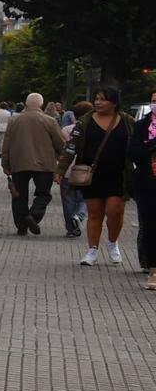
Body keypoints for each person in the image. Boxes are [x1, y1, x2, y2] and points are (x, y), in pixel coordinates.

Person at [65, 86, 131, 268]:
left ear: (114, 102)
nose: (98, 102)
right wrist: (60, 169)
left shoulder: (126, 121)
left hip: (119, 175)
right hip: (92, 175)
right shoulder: (85, 121)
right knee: (94, 213)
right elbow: (71, 146)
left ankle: (112, 242)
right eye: (96, 99)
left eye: (102, 99)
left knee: (114, 212)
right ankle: (92, 250)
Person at [2, 93, 62, 236]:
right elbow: (59, 142)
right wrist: (61, 158)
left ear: (26, 104)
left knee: (19, 196)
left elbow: (7, 143)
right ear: (41, 105)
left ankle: (21, 225)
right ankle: (34, 214)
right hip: (44, 164)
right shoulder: (50, 121)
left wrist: (5, 163)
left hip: (19, 163)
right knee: (43, 194)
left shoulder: (14, 120)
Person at [126, 92, 156, 289]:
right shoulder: (141, 126)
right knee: (151, 226)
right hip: (148, 184)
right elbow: (134, 153)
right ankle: (153, 269)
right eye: (154, 101)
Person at [58, 101, 91, 236]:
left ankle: (71, 229)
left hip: (67, 170)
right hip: (85, 170)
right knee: (84, 198)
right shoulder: (92, 130)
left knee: (68, 200)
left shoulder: (65, 130)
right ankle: (80, 215)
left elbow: (62, 149)